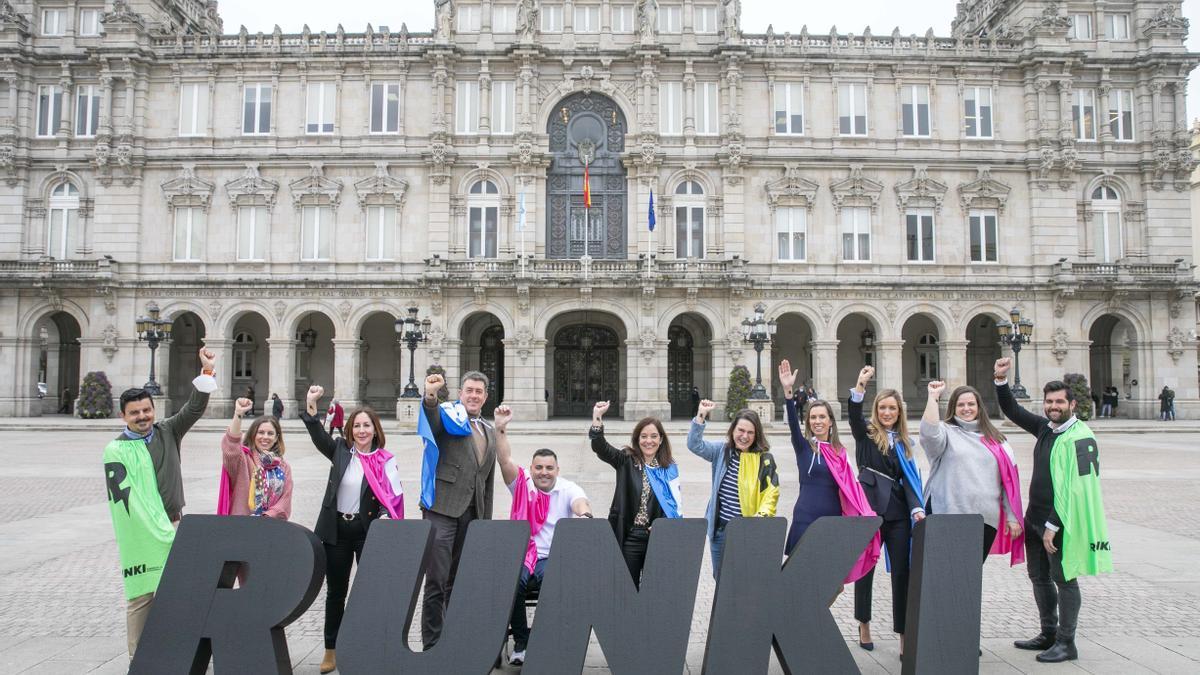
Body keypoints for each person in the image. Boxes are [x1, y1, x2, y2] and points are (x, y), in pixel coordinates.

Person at [994, 358, 1112, 663]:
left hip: (1058, 523)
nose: (1054, 406)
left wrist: (1054, 524)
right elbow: (1013, 411)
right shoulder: (1047, 429)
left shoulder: (1080, 437)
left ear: (1072, 403)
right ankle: (1048, 633)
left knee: (1065, 579)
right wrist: (1000, 380)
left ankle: (1066, 641)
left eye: (1060, 401)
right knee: (1039, 577)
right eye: (1049, 402)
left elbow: (1077, 489)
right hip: (1035, 518)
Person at [103, 347, 217, 658]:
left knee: (181, 589)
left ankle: (181, 651)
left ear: (154, 409)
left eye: (146, 410)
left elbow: (193, 408)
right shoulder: (117, 450)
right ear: (123, 416)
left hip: (174, 522)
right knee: (141, 594)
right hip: (140, 530)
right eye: (135, 413)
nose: (142, 417)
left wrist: (207, 371)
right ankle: (137, 657)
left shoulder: (167, 431)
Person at [300, 385, 404, 674]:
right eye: (356, 426)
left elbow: (393, 497)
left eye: (366, 426)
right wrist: (311, 404)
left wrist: (385, 519)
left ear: (375, 429)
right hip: (336, 532)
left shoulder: (385, 460)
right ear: (349, 430)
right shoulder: (340, 452)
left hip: (366, 532)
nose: (361, 431)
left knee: (369, 592)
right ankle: (331, 649)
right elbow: (318, 435)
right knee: (336, 592)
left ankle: (370, 645)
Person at [493, 404, 592, 666]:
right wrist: (500, 428)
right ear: (531, 468)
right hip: (524, 555)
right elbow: (504, 460)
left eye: (549, 468)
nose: (544, 472)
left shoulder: (568, 488)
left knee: (557, 584)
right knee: (513, 582)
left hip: (552, 557)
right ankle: (522, 644)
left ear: (557, 470)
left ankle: (550, 642)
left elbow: (581, 504)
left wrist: (584, 516)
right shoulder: (522, 485)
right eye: (539, 468)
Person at [846, 366, 925, 655]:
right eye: (882, 408)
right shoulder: (866, 435)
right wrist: (860, 385)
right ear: (876, 410)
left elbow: (908, 481)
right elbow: (854, 416)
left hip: (898, 515)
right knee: (865, 569)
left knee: (902, 573)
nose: (887, 412)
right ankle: (863, 623)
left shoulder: (905, 443)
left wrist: (916, 507)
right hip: (869, 511)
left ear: (899, 412)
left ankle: (903, 633)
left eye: (892, 408)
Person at [417, 371, 497, 649]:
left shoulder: (488, 429)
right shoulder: (448, 416)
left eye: (479, 391)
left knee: (459, 580)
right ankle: (432, 643)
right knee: (436, 579)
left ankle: (454, 638)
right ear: (461, 393)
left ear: (485, 397)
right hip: (442, 508)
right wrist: (430, 396)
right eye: (469, 390)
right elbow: (431, 420)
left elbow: (487, 479)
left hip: (472, 513)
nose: (474, 395)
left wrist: (484, 521)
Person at [779, 360, 880, 581]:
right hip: (805, 518)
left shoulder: (840, 453)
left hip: (831, 520)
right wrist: (788, 392)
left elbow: (851, 489)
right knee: (797, 578)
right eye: (813, 417)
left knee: (829, 583)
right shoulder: (804, 447)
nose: (817, 421)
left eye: (822, 417)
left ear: (830, 422)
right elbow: (793, 425)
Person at [919, 380, 1024, 563]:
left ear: (979, 407)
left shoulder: (997, 440)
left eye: (970, 404)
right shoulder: (945, 432)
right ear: (953, 407)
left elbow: (1008, 482)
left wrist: (1012, 515)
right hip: (948, 515)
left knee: (970, 577)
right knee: (946, 572)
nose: (966, 408)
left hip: (984, 520)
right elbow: (929, 435)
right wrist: (933, 398)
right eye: (960, 405)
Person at [589, 401, 682, 586]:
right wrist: (597, 417)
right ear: (637, 439)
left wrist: (663, 525)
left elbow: (674, 504)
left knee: (654, 589)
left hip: (656, 537)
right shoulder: (626, 460)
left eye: (654, 436)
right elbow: (600, 447)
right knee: (627, 588)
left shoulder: (668, 468)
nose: (649, 441)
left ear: (661, 439)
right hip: (629, 535)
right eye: (644, 436)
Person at [687, 398, 779, 579]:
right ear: (733, 430)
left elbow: (771, 494)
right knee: (720, 579)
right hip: (720, 531)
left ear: (756, 435)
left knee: (743, 580)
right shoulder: (722, 451)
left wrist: (760, 520)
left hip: (746, 532)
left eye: (750, 432)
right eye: (741, 430)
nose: (744, 436)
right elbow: (694, 445)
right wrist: (701, 416)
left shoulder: (764, 459)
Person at [217, 397, 293, 520]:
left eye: (270, 433)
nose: (265, 437)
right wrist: (238, 414)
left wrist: (266, 517)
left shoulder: (284, 467)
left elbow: (285, 500)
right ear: (253, 434)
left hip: (269, 526)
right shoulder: (244, 459)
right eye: (261, 432)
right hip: (241, 524)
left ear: (276, 438)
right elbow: (231, 447)